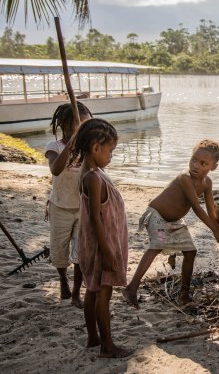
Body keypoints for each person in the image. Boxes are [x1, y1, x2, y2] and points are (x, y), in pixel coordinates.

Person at [124, 139, 219, 308]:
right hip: (157, 216)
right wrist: (215, 231)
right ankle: (131, 287)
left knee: (191, 252)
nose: (196, 165)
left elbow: (211, 210)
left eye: (203, 163)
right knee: (156, 246)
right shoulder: (185, 178)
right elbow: (196, 207)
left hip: (174, 222)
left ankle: (184, 294)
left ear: (213, 167)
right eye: (194, 160)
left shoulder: (207, 183)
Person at [68, 118, 131, 358]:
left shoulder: (95, 172)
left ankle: (93, 337)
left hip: (99, 243)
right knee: (102, 294)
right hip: (100, 246)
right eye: (110, 150)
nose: (112, 156)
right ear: (96, 148)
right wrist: (106, 251)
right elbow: (95, 218)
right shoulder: (93, 178)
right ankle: (107, 345)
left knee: (93, 291)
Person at [45, 102, 93, 308]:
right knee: (59, 252)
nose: (84, 128)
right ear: (65, 125)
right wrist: (73, 141)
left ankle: (75, 294)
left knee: (80, 253)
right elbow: (56, 170)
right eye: (79, 124)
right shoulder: (54, 147)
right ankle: (63, 279)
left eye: (86, 124)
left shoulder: (87, 148)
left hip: (81, 208)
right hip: (60, 207)